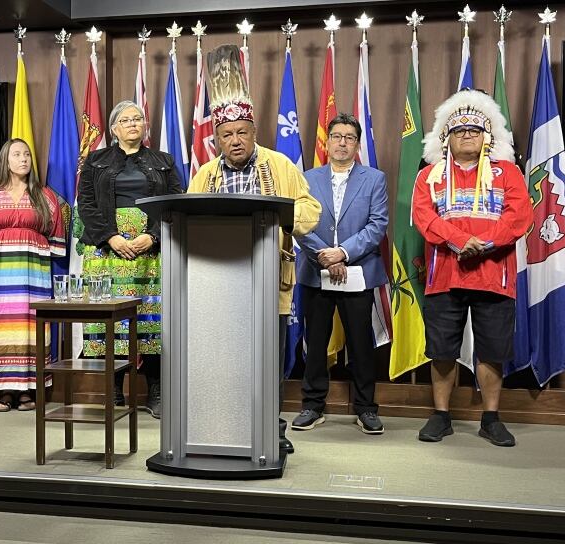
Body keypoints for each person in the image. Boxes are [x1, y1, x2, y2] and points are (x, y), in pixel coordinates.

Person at [188, 44, 321, 453]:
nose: (235, 140)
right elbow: (189, 219)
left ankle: (269, 428)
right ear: (216, 140)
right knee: (225, 363)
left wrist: (278, 220)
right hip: (219, 285)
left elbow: (309, 207)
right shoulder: (205, 175)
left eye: (242, 132)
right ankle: (227, 426)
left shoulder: (279, 165)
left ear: (253, 132)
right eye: (226, 135)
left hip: (268, 284)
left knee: (267, 364)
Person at [412, 89, 533, 447]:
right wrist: (459, 240)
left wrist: (488, 243)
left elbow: (519, 216)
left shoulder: (508, 172)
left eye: (475, 130)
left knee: (492, 350)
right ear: (445, 137)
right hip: (445, 275)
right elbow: (423, 216)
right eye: (459, 130)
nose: (467, 134)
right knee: (442, 350)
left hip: (494, 274)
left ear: (488, 136)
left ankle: (491, 418)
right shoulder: (430, 176)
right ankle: (441, 416)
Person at [77, 100, 182, 419]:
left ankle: (155, 392)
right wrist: (111, 236)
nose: (134, 123)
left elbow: (175, 200)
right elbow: (86, 203)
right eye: (126, 120)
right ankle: (113, 391)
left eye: (138, 118)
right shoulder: (95, 161)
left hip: (150, 250)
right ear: (113, 129)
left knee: (153, 321)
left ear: (145, 126)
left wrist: (152, 235)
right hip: (107, 250)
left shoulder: (162, 161)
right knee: (110, 322)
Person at [292, 113, 389, 434]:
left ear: (357, 144)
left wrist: (343, 253)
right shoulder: (307, 178)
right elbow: (299, 224)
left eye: (349, 137)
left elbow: (377, 225)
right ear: (327, 141)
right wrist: (325, 256)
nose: (342, 142)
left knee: (361, 344)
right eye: (337, 136)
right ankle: (312, 405)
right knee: (315, 342)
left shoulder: (374, 179)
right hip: (315, 270)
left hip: (358, 271)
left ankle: (366, 408)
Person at [0, 139, 66, 411]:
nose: (23, 159)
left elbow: (56, 236)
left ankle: (27, 390)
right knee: (0, 325)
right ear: (5, 160)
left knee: (31, 325)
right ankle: (4, 391)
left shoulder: (45, 195)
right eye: (16, 154)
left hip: (33, 273)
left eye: (27, 154)